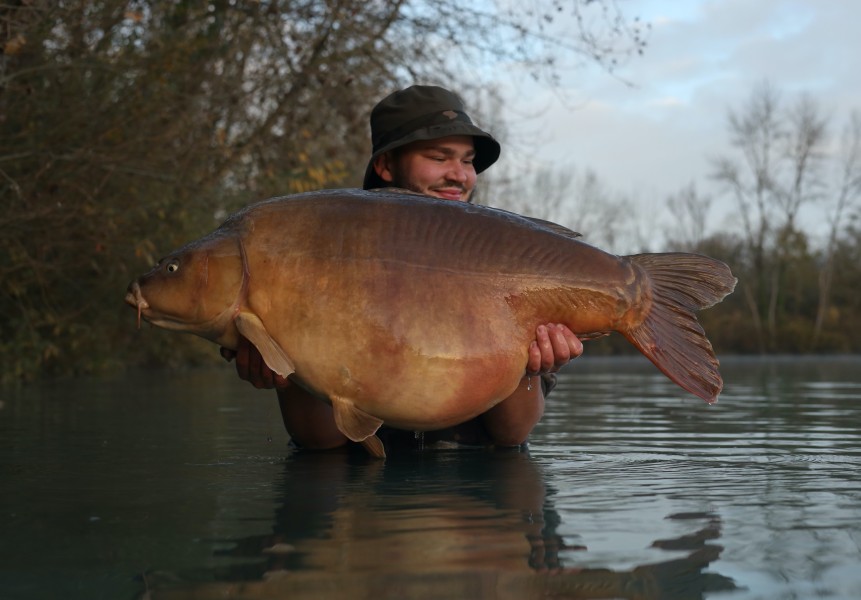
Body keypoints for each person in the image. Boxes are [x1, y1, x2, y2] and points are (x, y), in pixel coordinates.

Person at [224, 85, 583, 451]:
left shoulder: (510, 261)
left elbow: (512, 436)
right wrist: (285, 368)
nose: (459, 175)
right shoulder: (327, 258)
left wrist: (530, 367)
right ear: (385, 165)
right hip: (353, 483)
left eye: (467, 160)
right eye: (439, 157)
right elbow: (320, 444)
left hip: (481, 486)